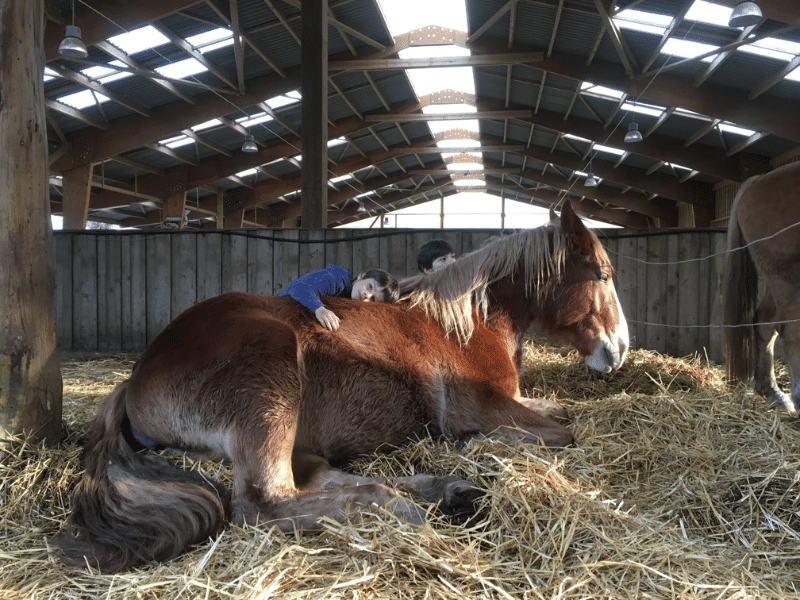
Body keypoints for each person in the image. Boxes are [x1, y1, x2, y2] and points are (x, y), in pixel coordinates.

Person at [278, 265, 399, 331]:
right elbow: (300, 287)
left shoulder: (352, 305)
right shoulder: (336, 280)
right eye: (370, 286)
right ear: (362, 275)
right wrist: (320, 309)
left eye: (373, 300)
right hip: (278, 311)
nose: (367, 295)